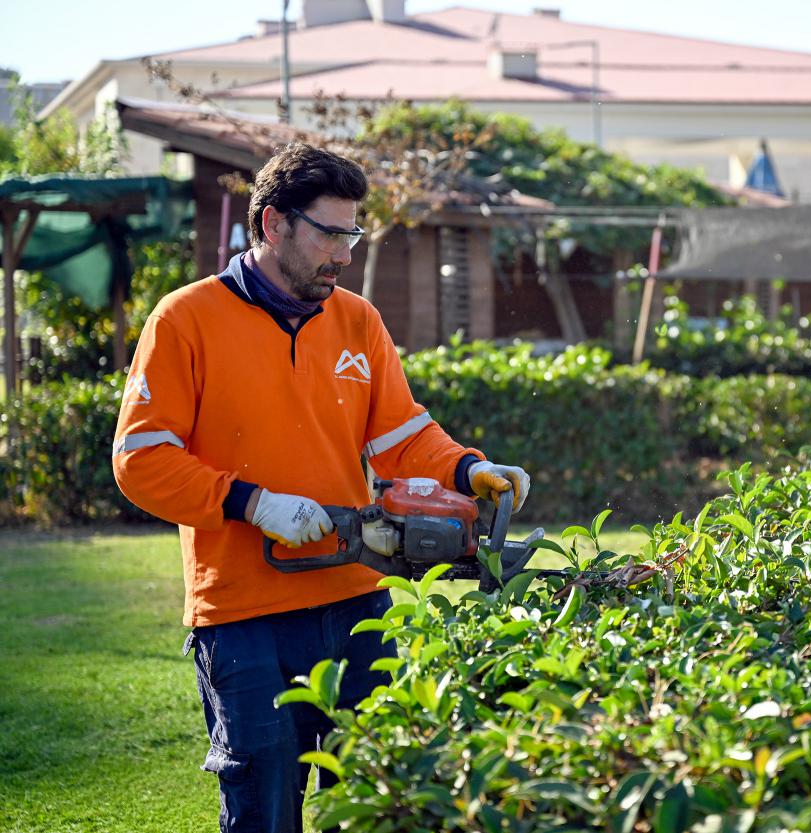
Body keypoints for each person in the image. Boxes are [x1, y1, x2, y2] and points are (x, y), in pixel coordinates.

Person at [112, 142, 530, 832]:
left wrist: (467, 469)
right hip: (241, 614)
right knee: (264, 802)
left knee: (374, 794)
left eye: (352, 234)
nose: (345, 254)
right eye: (330, 234)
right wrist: (253, 503)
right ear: (274, 223)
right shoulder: (184, 320)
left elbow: (399, 435)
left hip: (354, 598)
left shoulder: (357, 320)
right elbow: (141, 458)